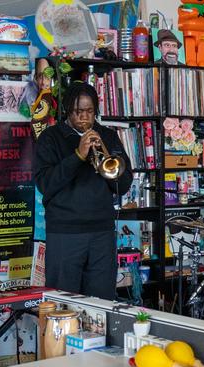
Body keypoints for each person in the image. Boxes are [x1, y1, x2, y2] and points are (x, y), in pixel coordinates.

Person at [35, 82, 133, 300]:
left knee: (102, 301)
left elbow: (123, 185)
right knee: (63, 302)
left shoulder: (107, 136)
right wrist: (78, 155)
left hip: (102, 233)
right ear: (68, 110)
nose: (84, 118)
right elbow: (45, 184)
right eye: (78, 112)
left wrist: (106, 165)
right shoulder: (50, 138)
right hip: (64, 233)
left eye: (89, 112)